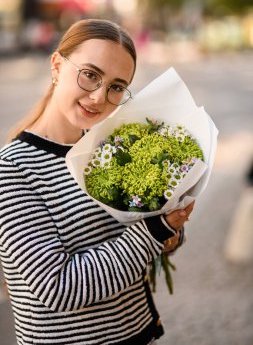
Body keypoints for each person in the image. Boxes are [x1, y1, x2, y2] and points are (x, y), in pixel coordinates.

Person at [0, 19, 194, 345]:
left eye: (117, 86)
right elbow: (58, 288)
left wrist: (171, 230)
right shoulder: (11, 170)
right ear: (57, 66)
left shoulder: (113, 149)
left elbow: (140, 238)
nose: (99, 97)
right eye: (90, 74)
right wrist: (155, 232)